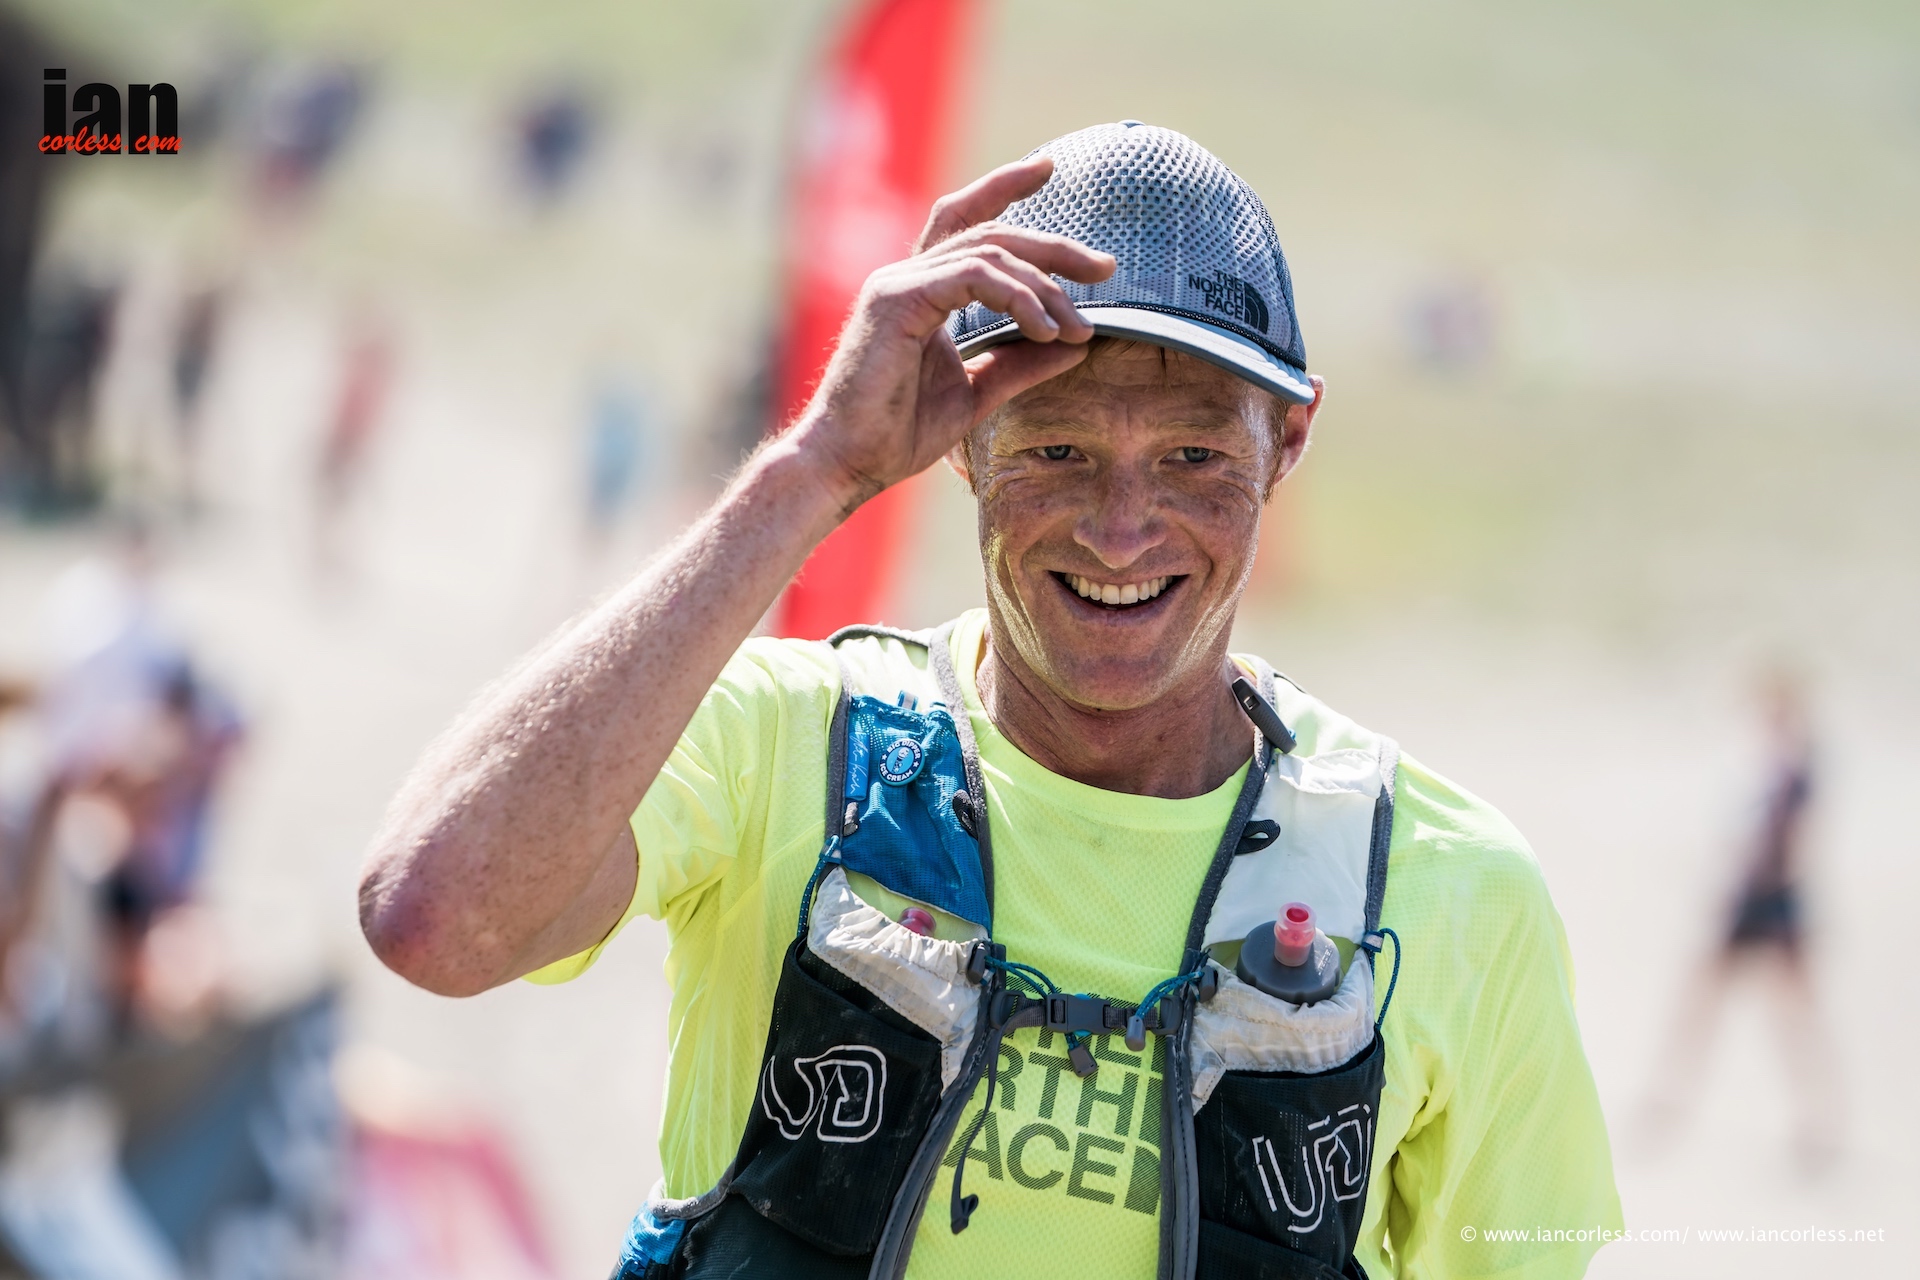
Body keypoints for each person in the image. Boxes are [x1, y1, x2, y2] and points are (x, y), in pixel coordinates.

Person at [359, 123, 1620, 1278]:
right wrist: (816, 468)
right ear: (963, 439)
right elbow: (436, 918)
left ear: (1287, 440)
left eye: (1192, 455)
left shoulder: (1448, 889)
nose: (1121, 528)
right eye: (1057, 448)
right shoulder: (788, 742)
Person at [1638, 665, 1840, 1166]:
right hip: (1766, 902)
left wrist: (1747, 890)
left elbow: (1781, 845)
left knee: (1774, 1014)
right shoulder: (1771, 764)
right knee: (1723, 1007)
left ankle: (1814, 1121)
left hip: (1764, 904)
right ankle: (1670, 1103)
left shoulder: (1790, 769)